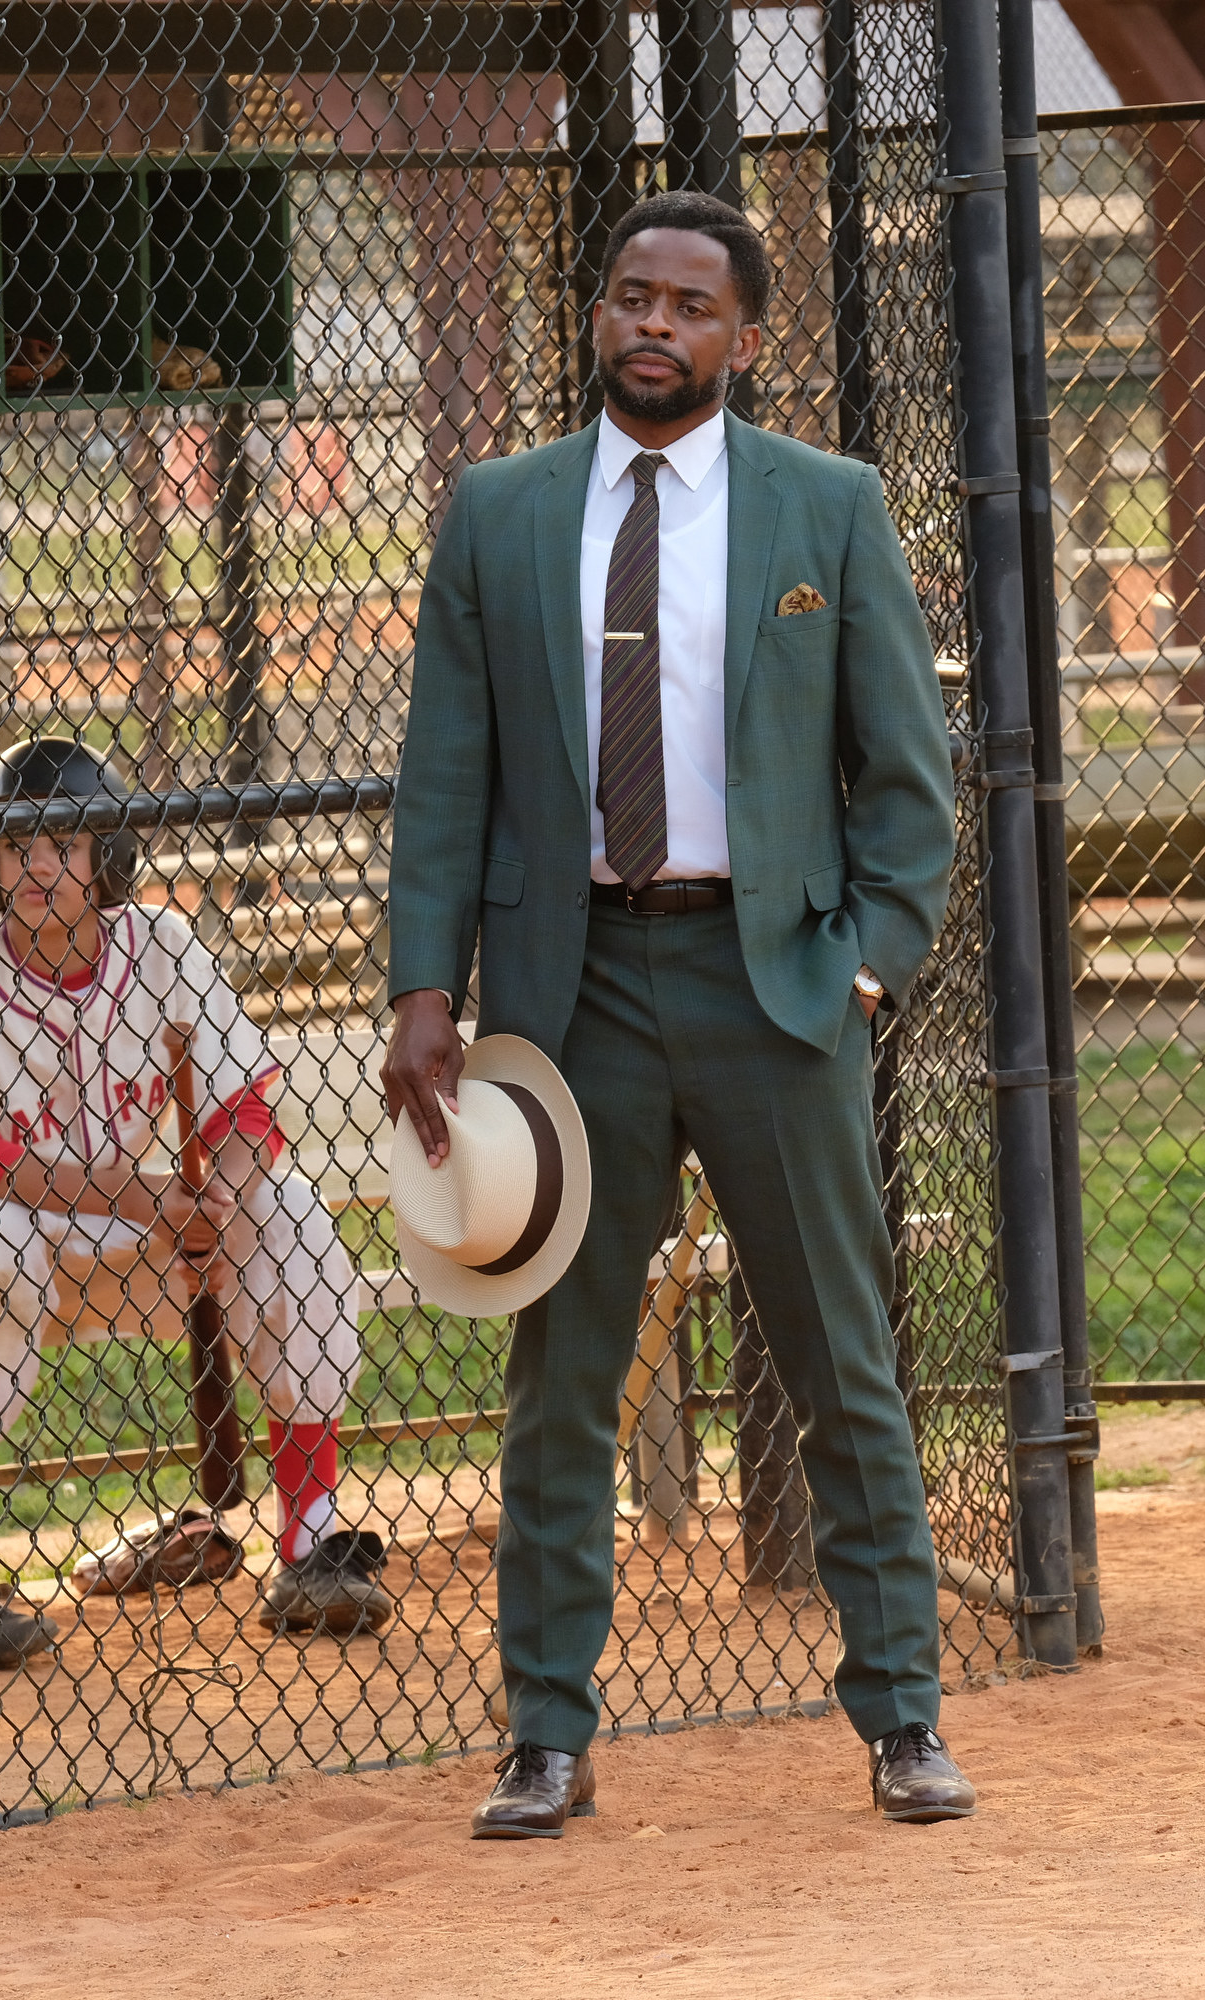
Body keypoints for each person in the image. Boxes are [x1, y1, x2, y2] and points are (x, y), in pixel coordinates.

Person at [381, 189, 972, 1836]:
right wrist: (426, 986)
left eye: (691, 305)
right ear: (596, 315)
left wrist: (860, 965)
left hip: (773, 989)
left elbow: (907, 784)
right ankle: (546, 1736)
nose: (656, 324)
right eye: (632, 296)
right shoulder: (497, 515)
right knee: (565, 1378)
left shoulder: (826, 510)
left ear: (744, 338)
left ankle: (905, 1716)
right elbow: (446, 778)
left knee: (842, 1360)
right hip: (572, 1000)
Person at [0, 736, 378, 1671]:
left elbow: (250, 1114)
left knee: (289, 1215)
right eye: (16, 845)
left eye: (64, 841)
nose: (39, 865)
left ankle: (312, 1544)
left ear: (109, 857)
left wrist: (221, 1198)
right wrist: (149, 1199)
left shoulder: (162, 946)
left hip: (135, 1244)